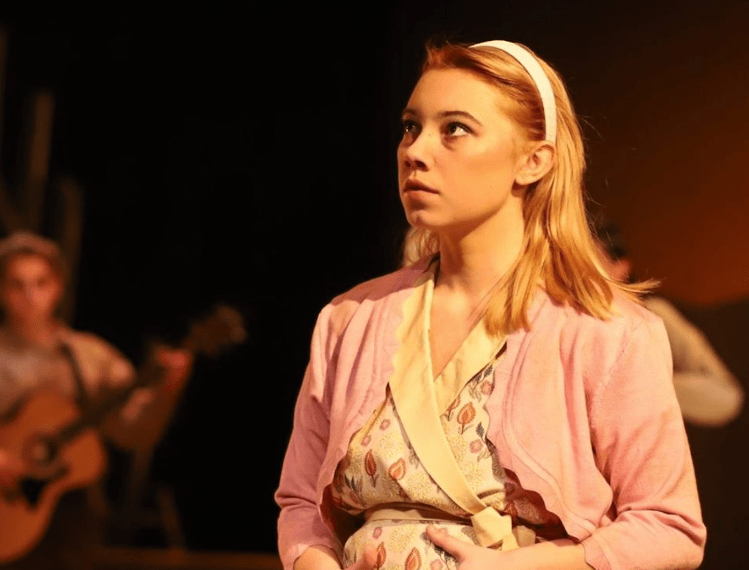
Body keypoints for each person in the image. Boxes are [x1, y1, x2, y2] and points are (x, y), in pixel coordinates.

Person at [275, 40, 706, 570]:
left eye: (455, 129)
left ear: (533, 160)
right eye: (411, 127)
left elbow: (670, 526)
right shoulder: (349, 320)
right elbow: (301, 504)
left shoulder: (605, 331)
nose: (415, 151)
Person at [0, 231, 192, 570]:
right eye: (17, 284)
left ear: (58, 287)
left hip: (70, 525)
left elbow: (132, 432)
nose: (30, 296)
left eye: (41, 283)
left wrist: (168, 391)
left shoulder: (90, 356)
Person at [594, 221, 744, 427]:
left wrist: (644, 384)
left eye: (595, 260)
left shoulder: (652, 313)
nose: (584, 271)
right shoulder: (575, 322)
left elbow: (724, 394)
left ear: (621, 267)